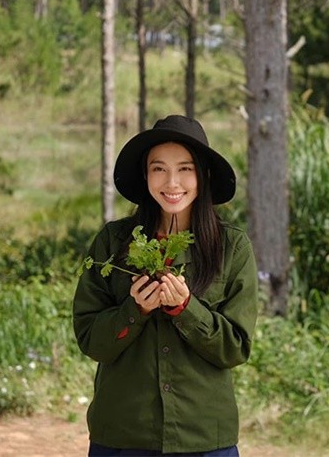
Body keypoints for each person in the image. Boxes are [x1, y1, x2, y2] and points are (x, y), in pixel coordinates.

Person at [73, 115, 258, 456]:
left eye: (185, 169)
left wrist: (187, 310)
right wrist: (134, 311)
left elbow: (235, 348)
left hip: (202, 437)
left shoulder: (232, 247)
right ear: (145, 176)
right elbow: (90, 341)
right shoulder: (112, 243)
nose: (172, 182)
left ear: (202, 176)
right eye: (159, 169)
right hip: (123, 434)